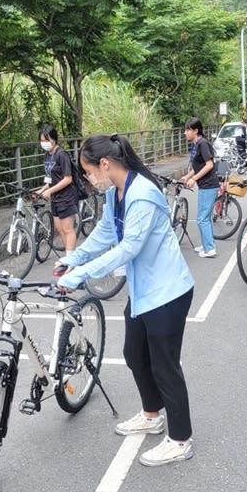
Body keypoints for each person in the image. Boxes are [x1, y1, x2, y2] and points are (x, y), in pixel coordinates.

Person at [55, 133, 196, 467]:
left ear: (105, 165)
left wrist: (79, 275)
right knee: (134, 354)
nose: (90, 180)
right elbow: (105, 235)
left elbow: (128, 247)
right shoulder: (117, 194)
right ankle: (152, 415)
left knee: (165, 366)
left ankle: (180, 439)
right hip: (145, 291)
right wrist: (72, 259)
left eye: (89, 172)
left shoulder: (143, 194)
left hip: (168, 292)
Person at [180, 117, 219, 258]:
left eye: (188, 130)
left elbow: (209, 165)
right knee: (204, 217)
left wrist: (194, 179)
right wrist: (187, 176)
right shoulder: (196, 144)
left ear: (196, 131)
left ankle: (210, 248)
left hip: (209, 185)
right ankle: (206, 245)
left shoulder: (202, 143)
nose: (185, 133)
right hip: (205, 185)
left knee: (202, 218)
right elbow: (198, 165)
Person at [36, 125, 78, 253]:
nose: (44, 143)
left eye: (46, 140)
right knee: (60, 229)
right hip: (55, 198)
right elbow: (51, 179)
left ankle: (70, 260)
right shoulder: (48, 155)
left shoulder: (62, 154)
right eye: (42, 141)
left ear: (54, 139)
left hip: (66, 197)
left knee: (68, 229)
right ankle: (69, 256)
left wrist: (49, 191)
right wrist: (42, 190)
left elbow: (67, 178)